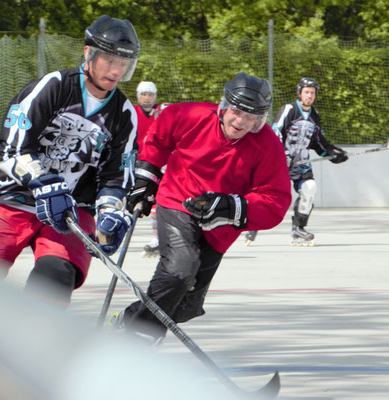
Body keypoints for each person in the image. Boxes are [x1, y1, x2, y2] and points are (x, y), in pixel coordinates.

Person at [0, 15, 140, 306]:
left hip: (69, 212)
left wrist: (110, 213)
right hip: (10, 199)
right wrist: (44, 183)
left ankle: (29, 342)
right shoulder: (52, 87)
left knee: (53, 285)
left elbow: (115, 177)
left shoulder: (125, 114)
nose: (116, 70)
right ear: (88, 53)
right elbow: (11, 151)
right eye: (109, 60)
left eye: (123, 64)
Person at [112, 72, 292, 343]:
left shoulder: (267, 144)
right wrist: (146, 176)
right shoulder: (192, 115)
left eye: (251, 116)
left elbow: (275, 201)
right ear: (224, 105)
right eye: (236, 111)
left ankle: (129, 320)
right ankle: (141, 338)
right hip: (177, 201)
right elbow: (159, 135)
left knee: (184, 306)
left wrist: (232, 206)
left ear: (260, 118)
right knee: (180, 270)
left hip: (220, 228)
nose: (240, 121)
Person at [271, 77, 348, 246]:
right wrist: (280, 154)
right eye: (306, 92)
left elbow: (318, 141)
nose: (309, 96)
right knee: (270, 195)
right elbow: (275, 131)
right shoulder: (289, 109)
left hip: (302, 162)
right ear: (300, 93)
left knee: (310, 187)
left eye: (312, 93)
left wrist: (333, 153)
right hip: (281, 162)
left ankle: (298, 228)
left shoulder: (315, 115)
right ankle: (253, 227)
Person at [133, 81, 169, 257]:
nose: (146, 97)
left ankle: (159, 237)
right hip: (138, 164)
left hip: (159, 164)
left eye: (150, 94)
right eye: (143, 94)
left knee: (159, 200)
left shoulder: (163, 113)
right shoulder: (130, 112)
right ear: (138, 95)